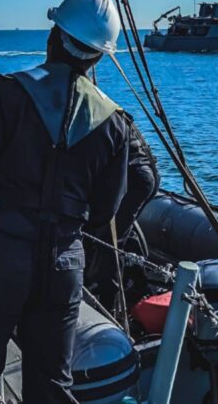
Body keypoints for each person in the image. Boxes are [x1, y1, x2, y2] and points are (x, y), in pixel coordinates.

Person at [0, 0, 128, 403]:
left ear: (54, 36)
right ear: (98, 57)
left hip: (1, 259)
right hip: (64, 268)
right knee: (52, 385)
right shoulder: (116, 123)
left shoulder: (4, 93)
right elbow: (105, 210)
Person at [84, 115, 160, 310]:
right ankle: (140, 284)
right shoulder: (110, 112)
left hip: (132, 179)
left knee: (109, 242)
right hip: (147, 174)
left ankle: (110, 305)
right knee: (125, 232)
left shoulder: (87, 117)